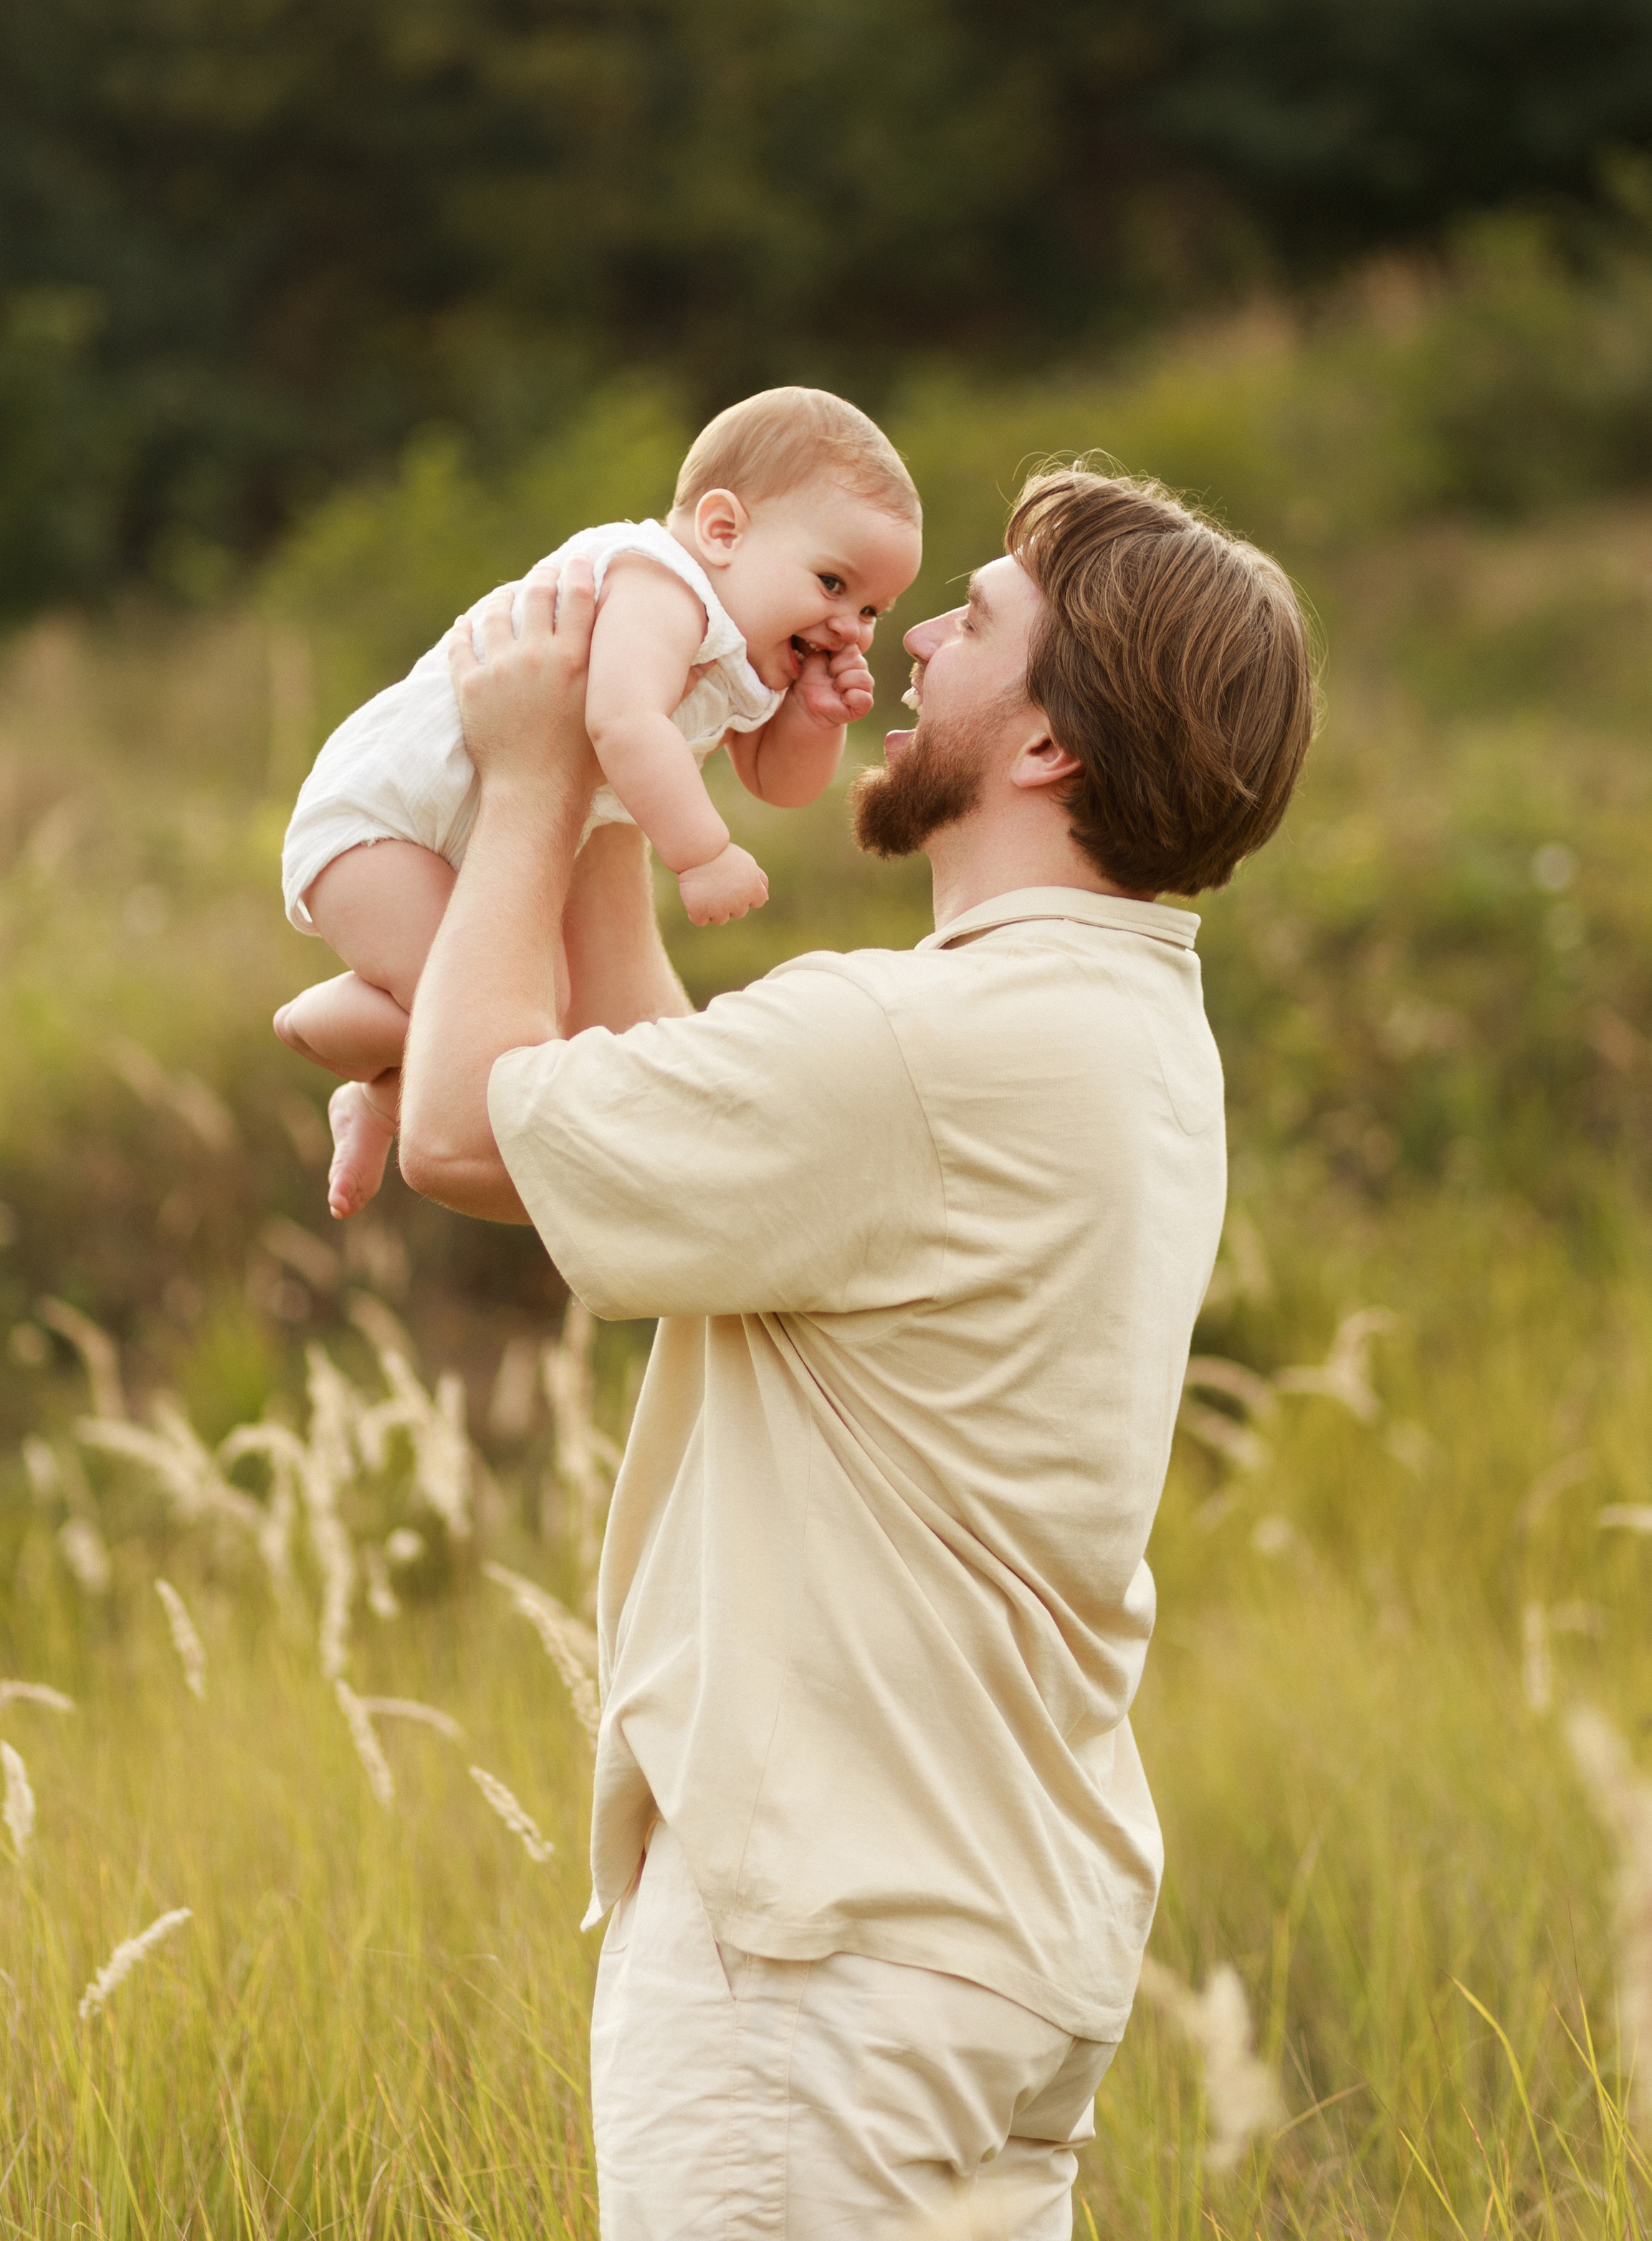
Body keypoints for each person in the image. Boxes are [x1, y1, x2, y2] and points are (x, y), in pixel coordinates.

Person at [397, 460, 1318, 2240]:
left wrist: (523, 775)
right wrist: (607, 788)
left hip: (821, 1957)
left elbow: (458, 1133)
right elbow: (708, 1136)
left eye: (972, 621)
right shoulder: (1120, 1023)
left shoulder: (922, 1045)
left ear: (1046, 743)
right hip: (992, 1950)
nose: (903, 650)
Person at [272, 386, 922, 1216]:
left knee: (532, 1019)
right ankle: (317, 1026)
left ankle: (377, 1097)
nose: (851, 626)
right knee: (518, 1005)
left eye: (871, 609)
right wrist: (703, 854)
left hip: (469, 833)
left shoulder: (754, 648)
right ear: (722, 532)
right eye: (833, 583)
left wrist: (813, 720)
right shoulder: (660, 588)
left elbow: (775, 782)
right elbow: (623, 722)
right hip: (383, 822)